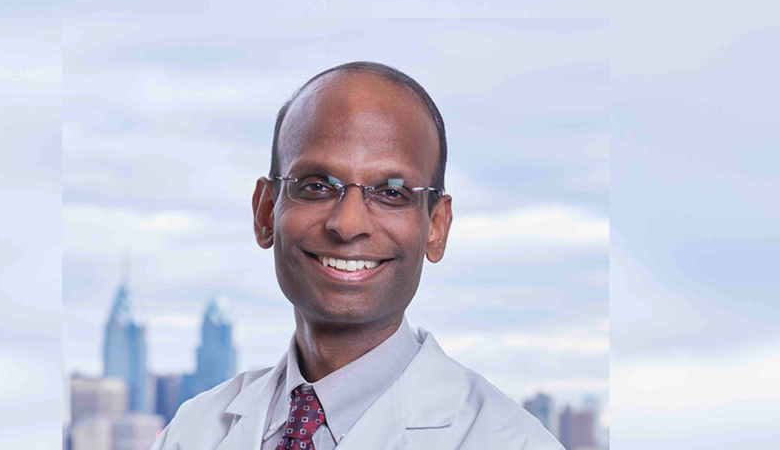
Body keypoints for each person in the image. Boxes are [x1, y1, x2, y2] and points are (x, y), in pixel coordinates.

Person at [150, 62, 562, 450]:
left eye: (391, 193)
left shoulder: (511, 442)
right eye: (316, 186)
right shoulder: (193, 431)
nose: (347, 225)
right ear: (266, 212)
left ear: (436, 227)